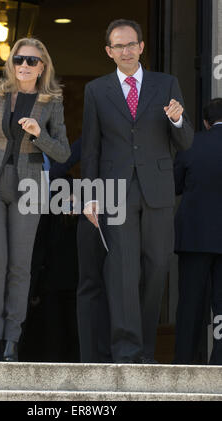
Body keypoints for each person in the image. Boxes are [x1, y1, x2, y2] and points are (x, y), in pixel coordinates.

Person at [80, 19, 193, 364]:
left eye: (131, 45)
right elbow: (91, 148)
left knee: (158, 267)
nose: (125, 51)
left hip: (157, 190)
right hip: (115, 192)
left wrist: (177, 119)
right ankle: (126, 351)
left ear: (142, 47)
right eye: (118, 46)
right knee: (122, 273)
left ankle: (145, 349)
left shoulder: (166, 83)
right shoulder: (97, 90)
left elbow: (186, 141)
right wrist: (90, 194)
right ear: (108, 52)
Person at [0, 37, 71, 362]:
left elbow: (64, 152)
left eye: (32, 61)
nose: (24, 65)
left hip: (30, 187)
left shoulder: (52, 102)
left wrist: (40, 134)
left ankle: (12, 341)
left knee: (20, 266)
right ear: (12, 64)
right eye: (19, 59)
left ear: (42, 67)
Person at [173, 98, 222, 365]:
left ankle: (183, 360)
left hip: (194, 235)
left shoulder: (190, 142)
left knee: (190, 303)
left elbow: (175, 185)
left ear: (205, 122)